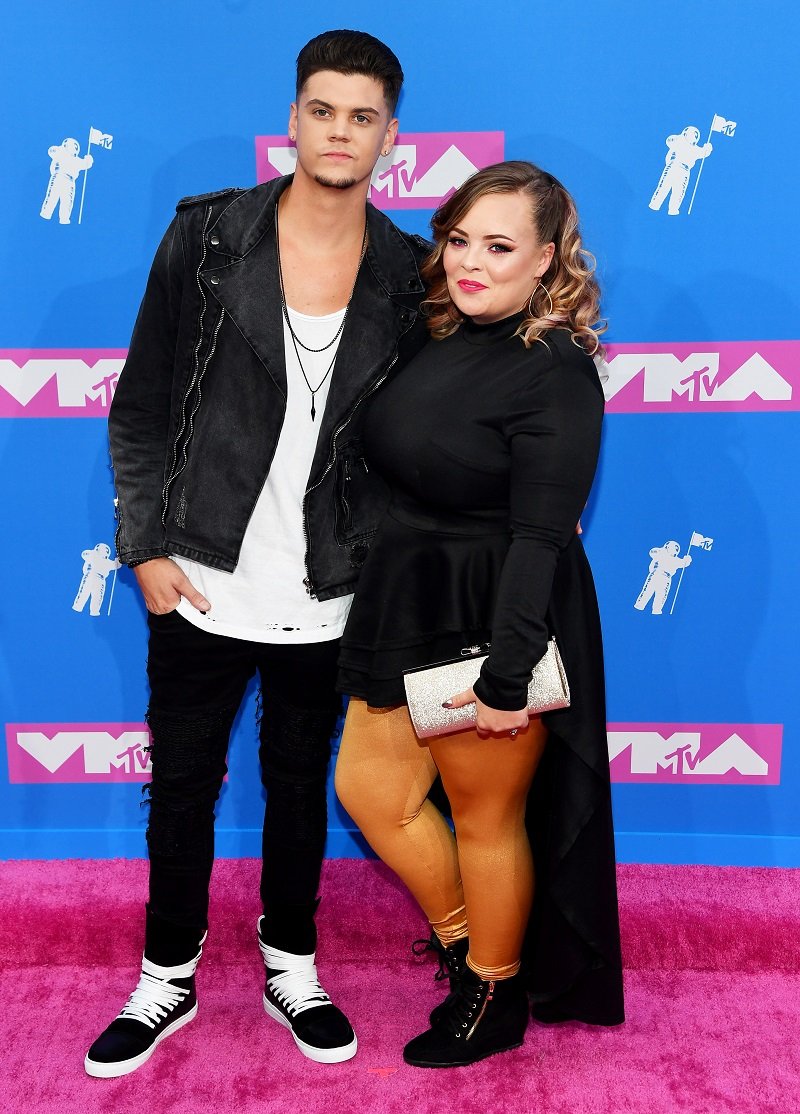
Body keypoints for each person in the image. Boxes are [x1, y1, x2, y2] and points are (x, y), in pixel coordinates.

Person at [85, 30, 430, 1078]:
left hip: (332, 588)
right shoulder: (207, 237)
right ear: (290, 120)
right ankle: (166, 977)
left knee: (295, 785)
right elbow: (139, 404)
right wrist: (143, 541)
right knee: (183, 786)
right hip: (199, 575)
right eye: (322, 110)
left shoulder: (412, 273)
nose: (339, 131)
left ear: (389, 136)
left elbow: (426, 438)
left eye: (361, 116)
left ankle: (291, 962)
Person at [335, 161, 625, 1068]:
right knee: (372, 794)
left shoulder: (558, 374)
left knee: (484, 815)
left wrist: (507, 677)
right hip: (408, 591)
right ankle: (468, 943)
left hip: (491, 608)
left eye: (499, 247)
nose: (470, 262)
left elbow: (542, 538)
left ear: (546, 260)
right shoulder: (442, 333)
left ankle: (492, 994)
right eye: (459, 238)